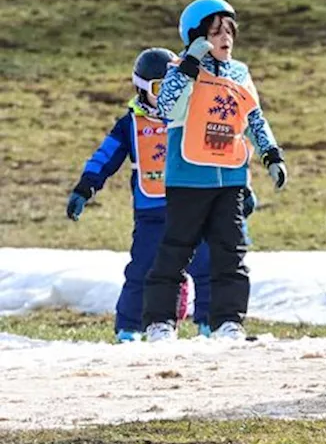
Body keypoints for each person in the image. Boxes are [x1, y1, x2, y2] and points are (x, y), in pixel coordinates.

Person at [141, 0, 287, 342]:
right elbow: (164, 108)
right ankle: (160, 322)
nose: (225, 38)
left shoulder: (239, 73)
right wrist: (190, 64)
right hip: (188, 177)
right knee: (175, 249)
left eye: (229, 31)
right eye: (215, 32)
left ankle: (228, 323)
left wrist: (271, 154)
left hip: (230, 178)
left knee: (230, 251)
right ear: (195, 36)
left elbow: (253, 117)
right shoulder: (181, 71)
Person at [65, 48, 220, 341]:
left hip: (192, 208)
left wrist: (240, 191)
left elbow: (219, 155)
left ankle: (210, 323)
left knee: (207, 262)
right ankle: (129, 328)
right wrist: (84, 188)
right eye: (161, 88)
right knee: (143, 269)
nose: (168, 96)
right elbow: (105, 157)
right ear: (143, 88)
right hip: (152, 213)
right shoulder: (129, 125)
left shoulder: (190, 119)